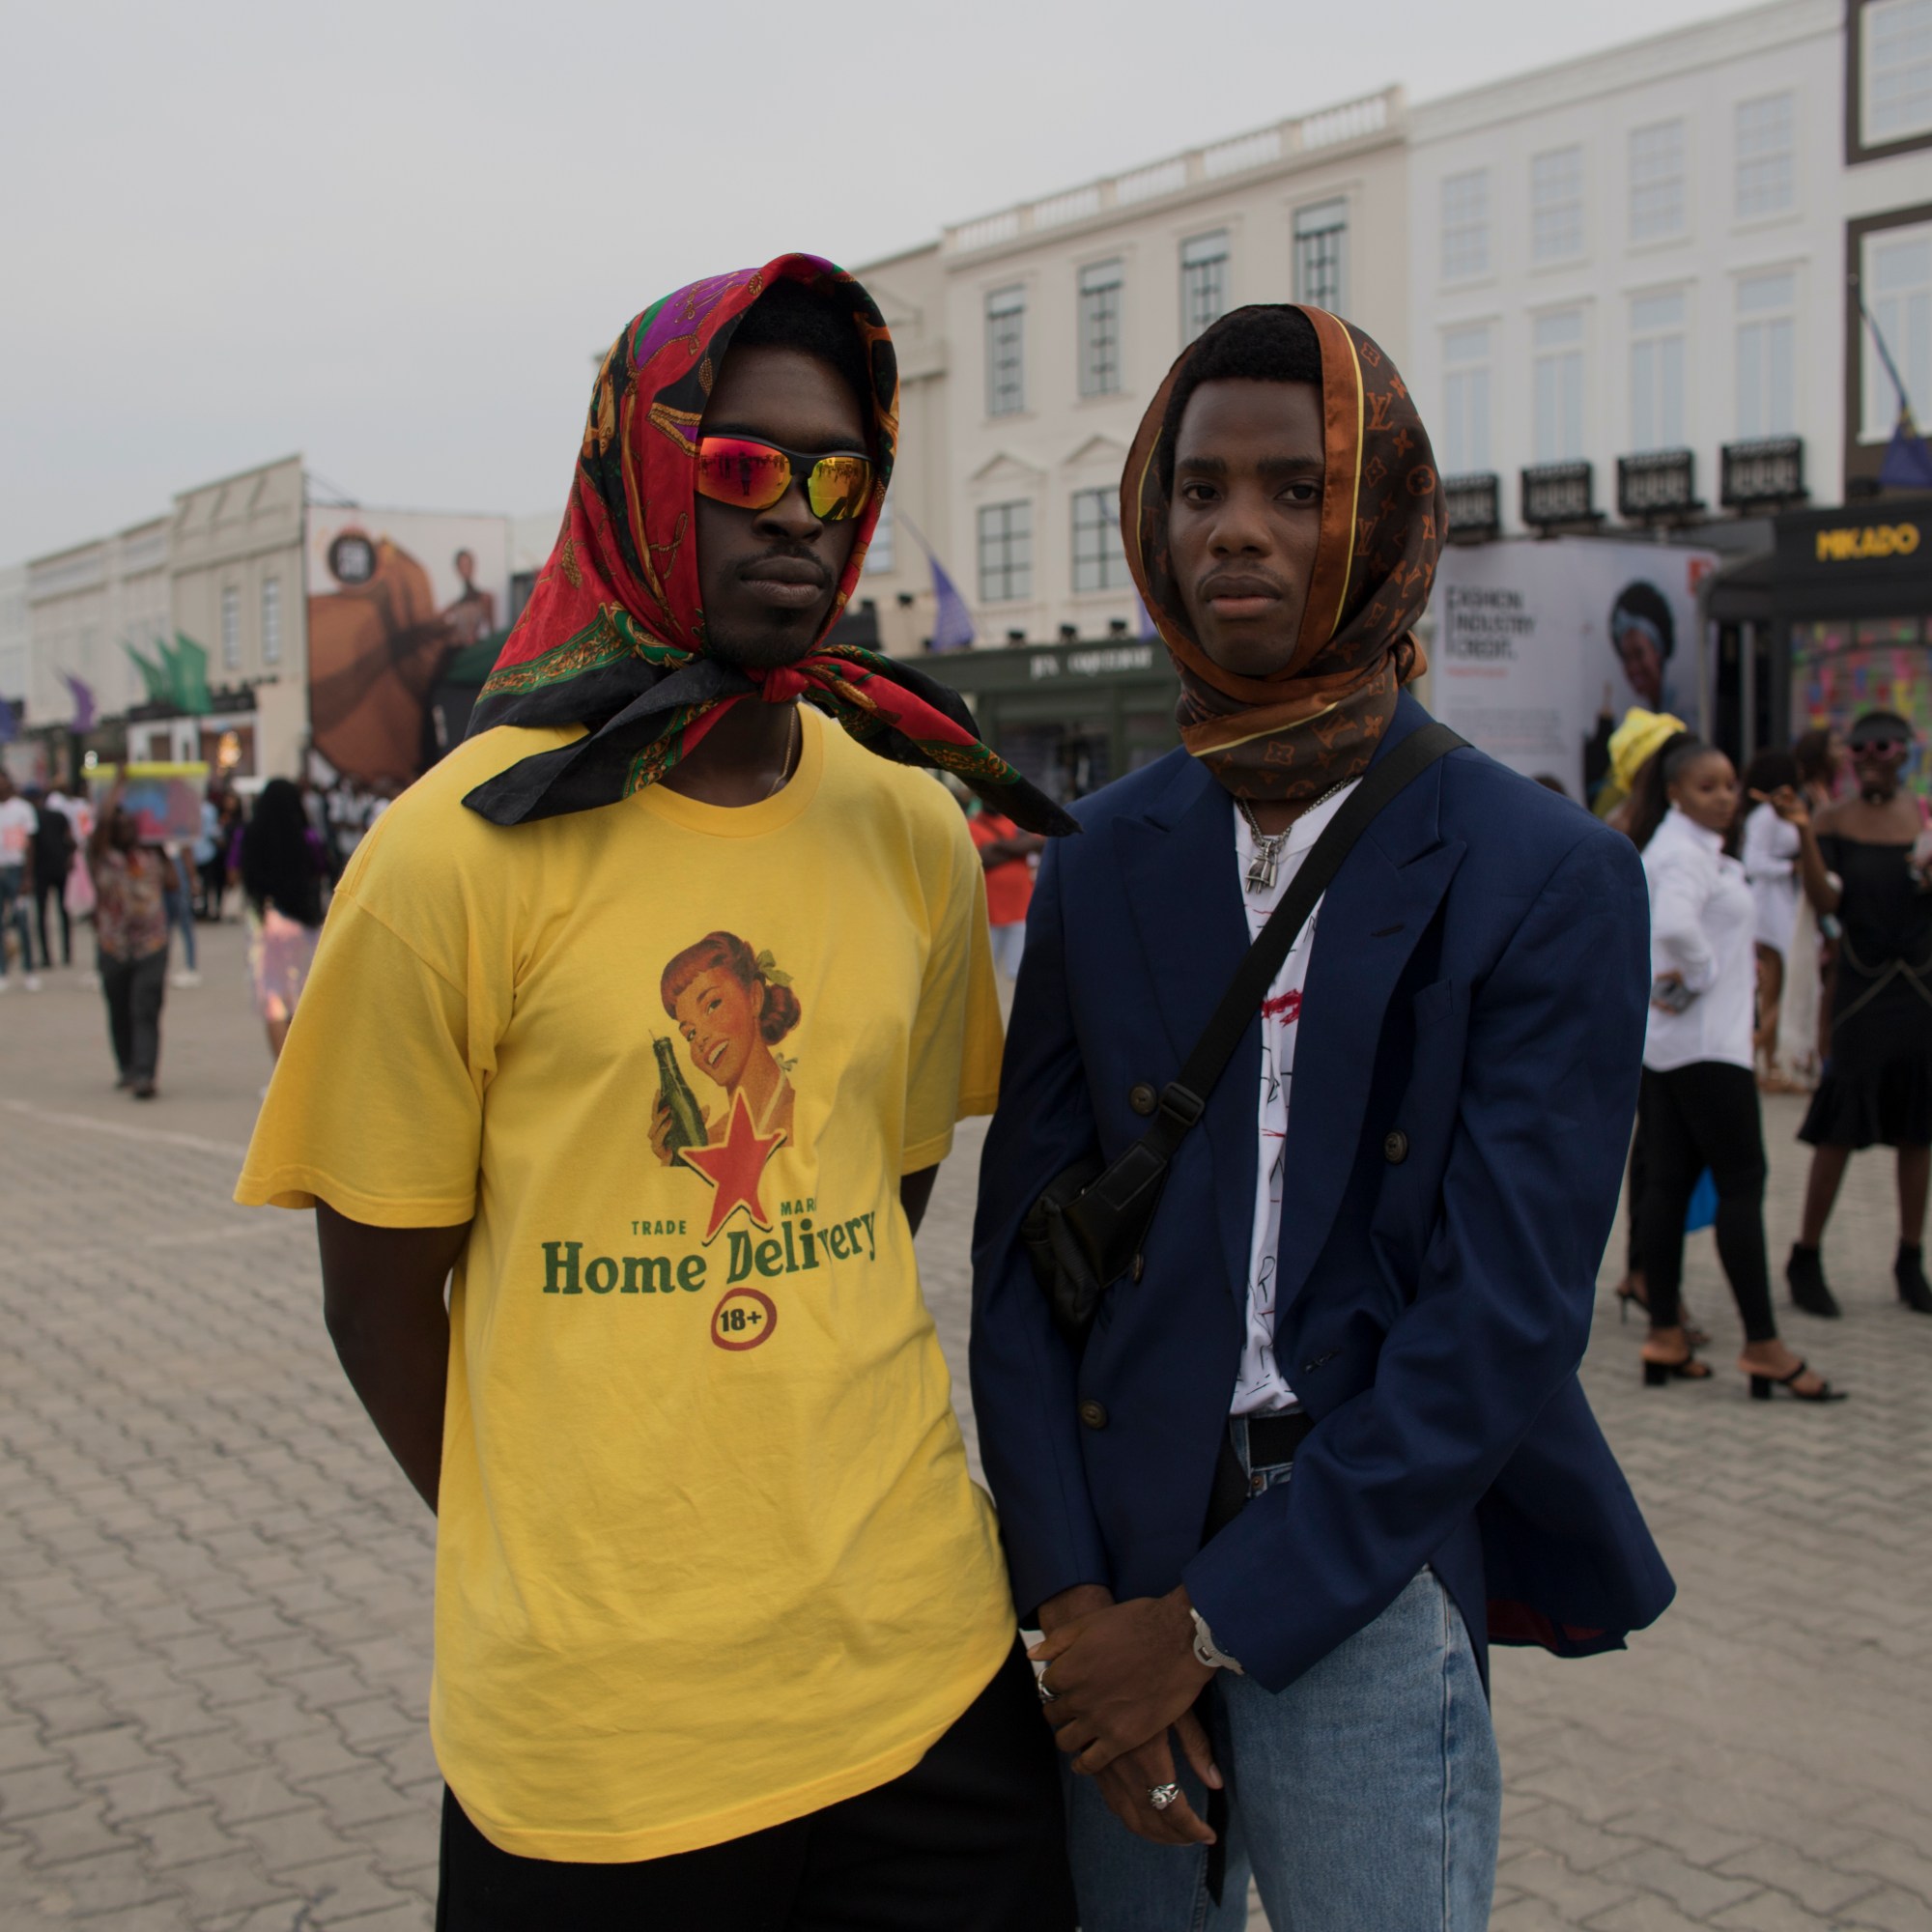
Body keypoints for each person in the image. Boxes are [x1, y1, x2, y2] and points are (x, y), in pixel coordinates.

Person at [235, 256, 1078, 1931]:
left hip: (921, 1670)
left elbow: (871, 1195)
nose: (802, 516)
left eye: (841, 480)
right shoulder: (457, 851)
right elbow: (378, 1303)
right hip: (599, 1741)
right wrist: (575, 1539)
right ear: (639, 468)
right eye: (746, 466)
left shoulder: (907, 825)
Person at [971, 302, 1671, 1932]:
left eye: (1296, 488)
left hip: (1352, 1574)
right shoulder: (1105, 856)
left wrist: (1202, 1631)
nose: (1239, 527)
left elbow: (1501, 1324)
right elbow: (1020, 1259)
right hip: (1117, 1561)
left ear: (1382, 525)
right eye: (1203, 486)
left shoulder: (1540, 874)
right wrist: (1079, 1609)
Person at [1635, 738, 1841, 1400]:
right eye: (1707, 787)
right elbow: (1672, 925)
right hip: (1707, 1050)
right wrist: (1703, 972)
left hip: (1670, 1048)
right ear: (1675, 793)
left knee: (1667, 1186)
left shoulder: (1681, 848)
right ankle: (1762, 1344)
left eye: (1729, 784)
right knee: (1742, 1184)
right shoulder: (1685, 855)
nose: (1723, 796)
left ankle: (1664, 1331)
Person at [1765, 710, 1932, 1318]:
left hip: (1918, 990)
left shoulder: (1924, 818)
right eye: (1859, 748)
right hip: (1860, 993)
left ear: (1903, 753)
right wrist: (1807, 833)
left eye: (1881, 747)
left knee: (1918, 1131)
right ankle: (1805, 1255)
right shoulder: (1833, 820)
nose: (1869, 757)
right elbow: (1824, 899)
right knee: (1838, 1127)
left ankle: (1909, 1258)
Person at [652, 929, 800, 1152]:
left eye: (712, 1006)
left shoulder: (803, 1116)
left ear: (755, 997)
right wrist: (672, 1161)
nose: (700, 1038)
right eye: (690, 1033)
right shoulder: (707, 1144)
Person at [87, 786, 175, 1097]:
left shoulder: (151, 855)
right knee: (119, 1009)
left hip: (152, 944)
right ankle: (127, 1066)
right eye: (118, 824)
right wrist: (118, 786)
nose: (125, 828)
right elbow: (100, 827)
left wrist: (160, 839)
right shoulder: (102, 857)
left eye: (131, 824)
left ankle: (145, 1074)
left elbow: (173, 882)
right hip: (114, 946)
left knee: (145, 1008)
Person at [239, 777, 330, 1062]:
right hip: (304, 922)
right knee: (301, 998)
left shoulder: (252, 834)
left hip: (266, 921)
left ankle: (281, 1074)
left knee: (273, 999)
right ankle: (301, 1071)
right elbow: (324, 868)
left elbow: (242, 874)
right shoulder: (306, 836)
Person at [1740, 748, 1803, 1089]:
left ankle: (1770, 1062)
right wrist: (1790, 867)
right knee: (1778, 986)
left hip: (1783, 899)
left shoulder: (1782, 812)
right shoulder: (1764, 817)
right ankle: (1758, 1052)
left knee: (1777, 985)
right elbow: (1754, 863)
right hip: (1768, 902)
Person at [967, 801, 1043, 980]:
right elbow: (980, 857)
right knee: (982, 973)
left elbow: (1041, 842)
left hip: (1020, 908)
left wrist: (996, 846)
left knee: (1020, 973)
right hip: (988, 911)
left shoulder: (1016, 821)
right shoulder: (971, 824)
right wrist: (1016, 847)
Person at [1609, 580, 1677, 715]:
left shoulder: (1683, 714)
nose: (1633, 667)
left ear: (1658, 652)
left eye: (1639, 654)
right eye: (1626, 658)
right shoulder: (1644, 713)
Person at [0, 771, 40, 993]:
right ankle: (3, 971)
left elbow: (30, 845)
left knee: (23, 921)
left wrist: (27, 876)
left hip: (16, 870)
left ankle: (29, 971)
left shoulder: (22, 809)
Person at [29, 784, 76, 970]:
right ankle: (67, 953)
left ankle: (46, 956)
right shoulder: (59, 816)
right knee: (64, 912)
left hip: (40, 870)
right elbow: (72, 841)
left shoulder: (32, 818)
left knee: (42, 914)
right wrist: (70, 857)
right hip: (60, 867)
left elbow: (29, 846)